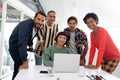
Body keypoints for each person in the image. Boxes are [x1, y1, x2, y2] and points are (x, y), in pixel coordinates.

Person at [9, 11, 46, 80]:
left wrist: (30, 45)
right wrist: (25, 62)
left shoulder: (37, 26)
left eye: (42, 21)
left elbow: (30, 36)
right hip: (15, 49)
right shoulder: (26, 26)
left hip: (20, 47)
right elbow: (22, 44)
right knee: (20, 67)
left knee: (19, 68)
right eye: (38, 19)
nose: (40, 22)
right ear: (34, 18)